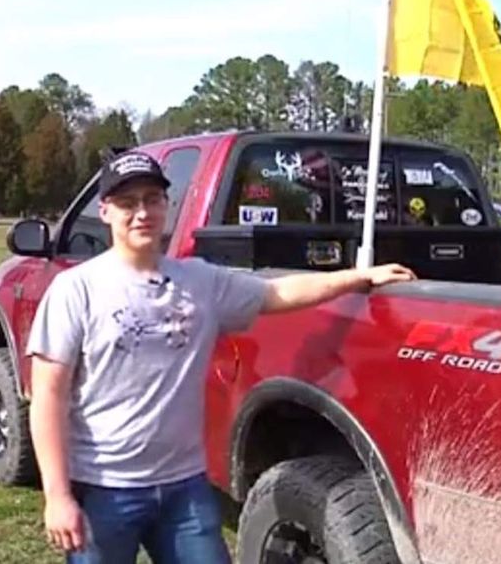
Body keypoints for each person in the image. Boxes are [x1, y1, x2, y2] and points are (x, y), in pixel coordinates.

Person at [26, 151, 417, 564]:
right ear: (105, 211)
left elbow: (277, 294)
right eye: (128, 203)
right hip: (102, 488)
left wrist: (358, 277)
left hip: (183, 491)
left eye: (152, 199)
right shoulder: (77, 290)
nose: (142, 212)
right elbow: (48, 396)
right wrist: (57, 495)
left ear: (166, 206)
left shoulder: (199, 280)